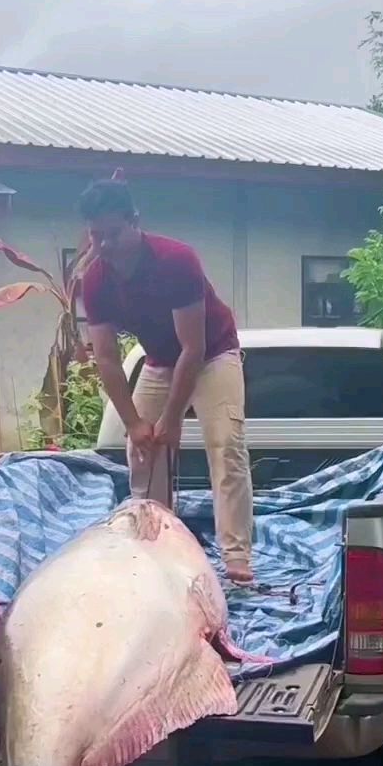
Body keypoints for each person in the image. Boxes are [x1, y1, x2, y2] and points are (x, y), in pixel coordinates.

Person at [79, 178, 254, 583]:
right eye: (95, 235)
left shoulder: (176, 261)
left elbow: (193, 347)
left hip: (212, 353)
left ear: (135, 221)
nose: (104, 245)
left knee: (226, 444)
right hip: (159, 360)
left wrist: (173, 418)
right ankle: (155, 548)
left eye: (113, 233)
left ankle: (237, 558)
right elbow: (105, 357)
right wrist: (135, 423)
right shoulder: (96, 280)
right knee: (142, 449)